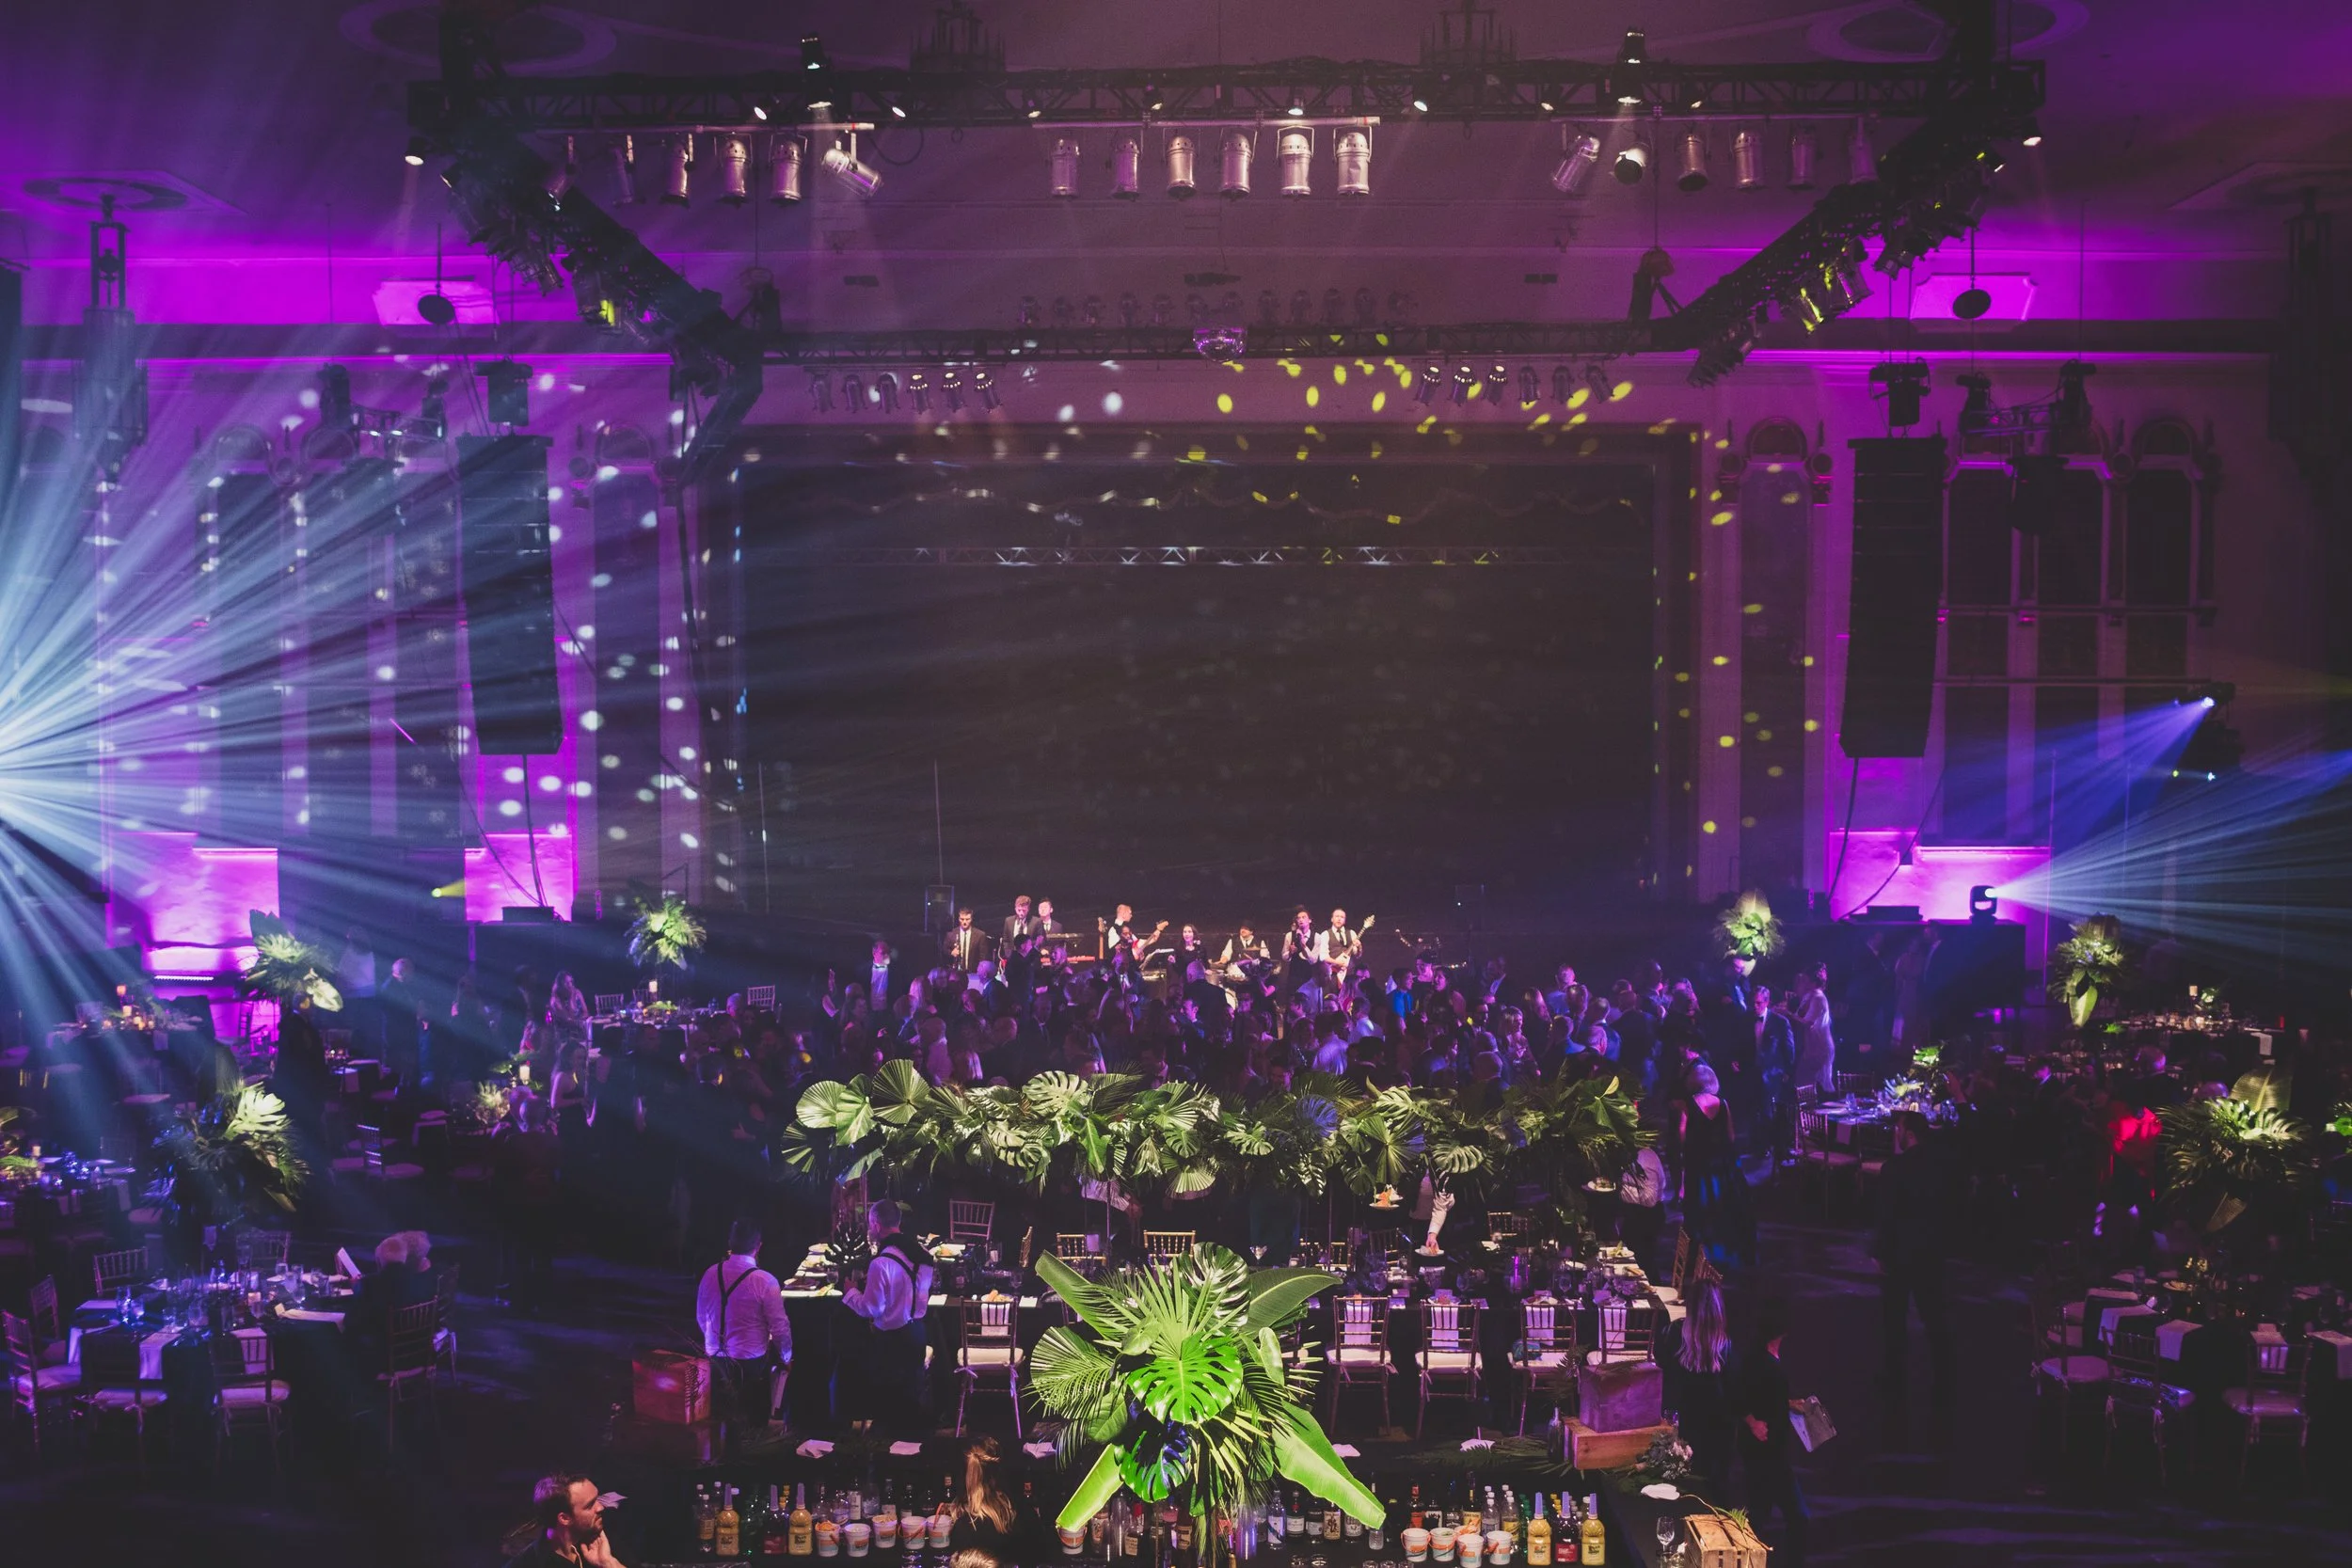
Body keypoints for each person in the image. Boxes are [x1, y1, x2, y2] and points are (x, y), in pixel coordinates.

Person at [1872, 1108, 1957, 1435]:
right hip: (1931, 1250)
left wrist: (1879, 1253)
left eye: (1898, 1129)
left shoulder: (1896, 1168)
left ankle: (1895, 1374)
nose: (1895, 1132)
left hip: (1899, 1253)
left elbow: (1886, 1215)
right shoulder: (1941, 1165)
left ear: (1908, 1135)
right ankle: (1944, 1373)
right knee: (1934, 1313)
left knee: (1894, 1315)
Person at [697, 1218, 791, 1450]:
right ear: (758, 1246)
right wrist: (787, 1357)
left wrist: (713, 1342)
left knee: (720, 1415)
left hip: (715, 1358)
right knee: (753, 1419)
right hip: (750, 1362)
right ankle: (755, 1442)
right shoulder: (765, 1281)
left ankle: (721, 1451)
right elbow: (780, 1328)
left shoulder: (710, 1274)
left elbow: (701, 1317)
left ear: (730, 1242)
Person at [840, 1198, 930, 1435]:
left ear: (876, 1225)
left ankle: (885, 1456)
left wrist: (850, 1291)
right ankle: (913, 1450)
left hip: (891, 1341)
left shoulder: (881, 1263)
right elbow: (921, 1297)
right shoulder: (922, 1256)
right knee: (912, 1397)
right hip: (917, 1333)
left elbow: (871, 1309)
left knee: (890, 1406)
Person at [1737, 1296, 1807, 1568]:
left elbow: (1758, 1396)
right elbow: (1740, 1396)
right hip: (1769, 1454)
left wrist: (1788, 1404)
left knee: (1760, 1514)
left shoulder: (1761, 1359)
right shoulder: (1763, 1365)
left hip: (1765, 1452)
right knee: (1796, 1516)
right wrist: (1753, 1422)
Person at [1659, 1271, 1737, 1494]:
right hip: (1716, 1433)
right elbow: (1733, 1391)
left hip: (1681, 1422)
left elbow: (1662, 1368)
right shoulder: (1726, 1347)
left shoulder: (1674, 1334)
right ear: (1719, 1310)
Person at [1678, 1063, 1756, 1268]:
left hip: (1698, 1164)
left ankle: (1699, 1258)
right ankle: (1724, 1254)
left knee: (1700, 1210)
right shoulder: (1723, 1103)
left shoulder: (1688, 1105)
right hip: (1722, 1164)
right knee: (1724, 1207)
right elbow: (1730, 1135)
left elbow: (1682, 1137)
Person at [947, 1436, 1053, 1561]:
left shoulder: (964, 1529)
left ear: (962, 1477)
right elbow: (1043, 1555)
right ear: (999, 1472)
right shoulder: (1025, 1512)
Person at [508, 1473, 625, 1568]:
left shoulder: (601, 1539)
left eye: (597, 1498)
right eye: (590, 1505)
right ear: (564, 1518)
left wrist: (608, 1563)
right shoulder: (530, 1563)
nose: (601, 1507)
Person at [944, 908, 992, 974]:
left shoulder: (980, 935)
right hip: (955, 973)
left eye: (967, 919)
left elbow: (983, 956)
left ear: (971, 919)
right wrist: (951, 952)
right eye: (962, 919)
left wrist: (980, 971)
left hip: (974, 973)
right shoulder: (951, 934)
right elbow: (944, 950)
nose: (964, 922)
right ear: (958, 919)